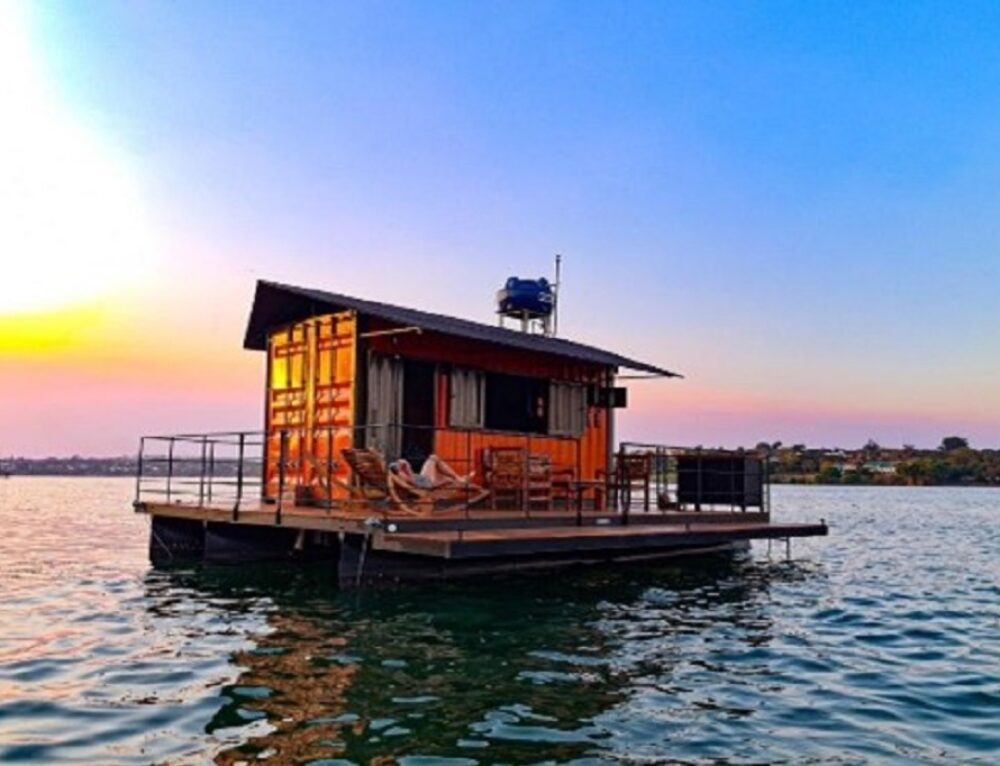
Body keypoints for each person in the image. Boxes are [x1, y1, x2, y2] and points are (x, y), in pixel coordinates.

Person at [389, 454, 472, 489]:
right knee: (433, 458)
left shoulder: (397, 474)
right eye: (397, 465)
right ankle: (459, 478)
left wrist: (405, 466)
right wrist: (407, 465)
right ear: (396, 469)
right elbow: (412, 480)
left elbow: (412, 478)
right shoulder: (399, 474)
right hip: (425, 482)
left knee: (448, 479)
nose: (398, 465)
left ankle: (460, 479)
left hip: (422, 479)